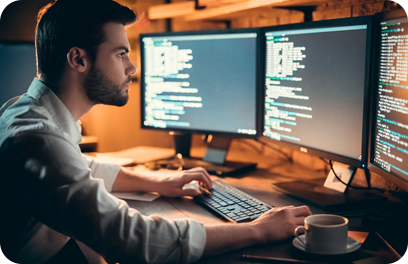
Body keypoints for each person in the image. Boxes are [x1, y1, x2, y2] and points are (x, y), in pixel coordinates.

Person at [0, 0, 312, 263]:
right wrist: (258, 229)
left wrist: (158, 181)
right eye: (121, 53)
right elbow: (135, 240)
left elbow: (79, 167)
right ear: (78, 59)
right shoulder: (36, 139)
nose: (132, 67)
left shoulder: (28, 113)